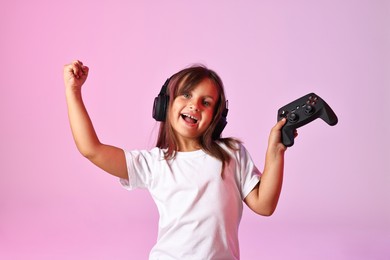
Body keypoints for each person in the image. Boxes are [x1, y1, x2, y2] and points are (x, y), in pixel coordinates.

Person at [63, 60, 295, 260]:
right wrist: (73, 91)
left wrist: (276, 152)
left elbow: (264, 205)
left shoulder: (231, 153)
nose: (194, 105)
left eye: (206, 102)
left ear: (216, 117)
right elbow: (91, 149)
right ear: (165, 105)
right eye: (186, 94)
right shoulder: (153, 163)